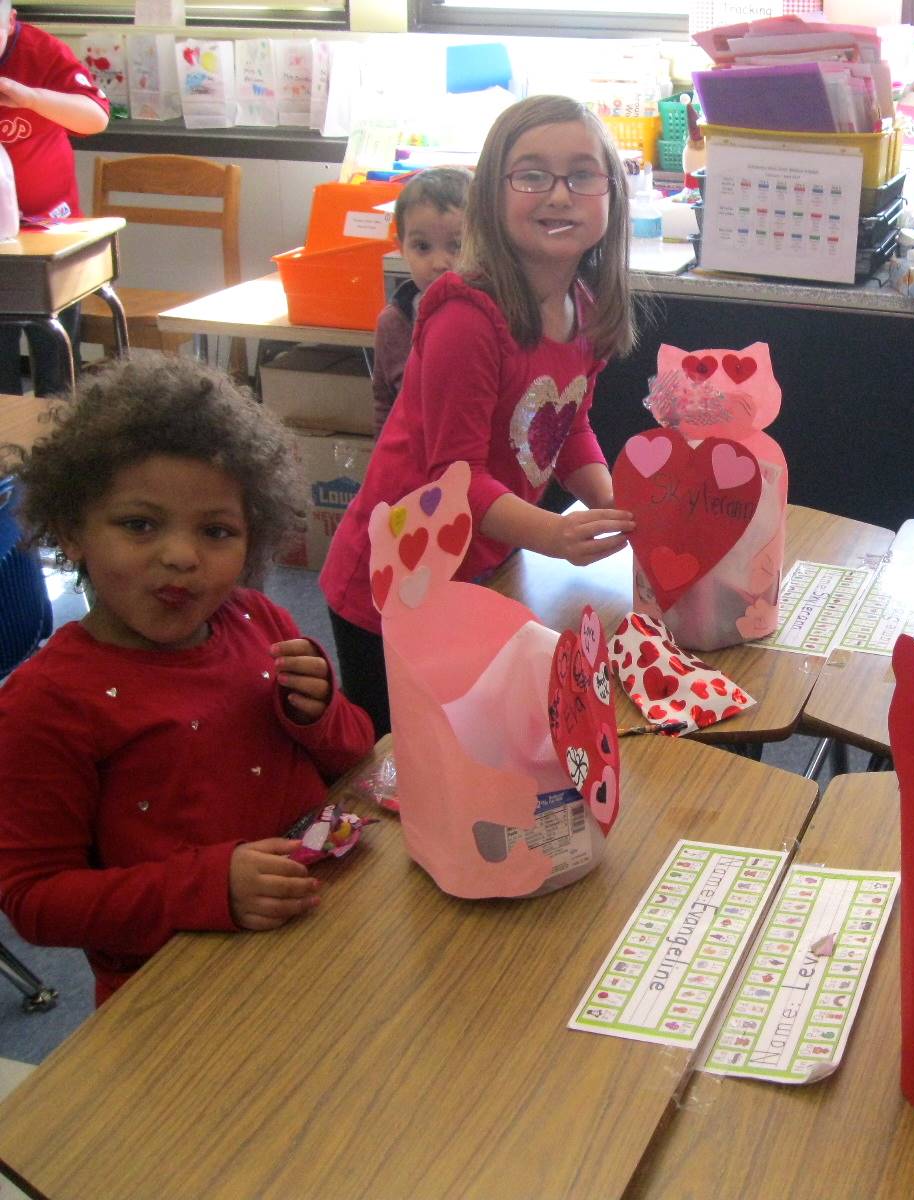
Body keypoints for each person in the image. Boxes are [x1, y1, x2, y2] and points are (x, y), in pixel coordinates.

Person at [0, 356, 375, 1006]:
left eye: (216, 530)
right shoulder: (45, 703)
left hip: (318, 939)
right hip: (177, 993)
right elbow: (36, 901)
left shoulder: (262, 620)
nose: (181, 554)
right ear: (71, 529)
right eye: (139, 524)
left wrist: (321, 715)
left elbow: (354, 755)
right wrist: (207, 888)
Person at [320, 95, 636, 737]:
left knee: (475, 747)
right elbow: (453, 476)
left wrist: (614, 503)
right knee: (399, 765)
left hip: (484, 565)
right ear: (492, 194)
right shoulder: (466, 316)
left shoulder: (582, 307)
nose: (558, 194)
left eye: (582, 174)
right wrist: (553, 534)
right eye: (530, 175)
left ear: (612, 196)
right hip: (393, 585)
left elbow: (566, 428)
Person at [0, 0, 111, 398]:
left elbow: (95, 117)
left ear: (11, 23)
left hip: (51, 227)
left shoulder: (41, 50)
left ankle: (59, 440)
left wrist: (29, 97)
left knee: (56, 360)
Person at [373, 166, 469, 432]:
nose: (440, 263)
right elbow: (385, 403)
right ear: (400, 247)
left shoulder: (494, 315)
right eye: (422, 247)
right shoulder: (394, 323)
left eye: (456, 246)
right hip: (413, 459)